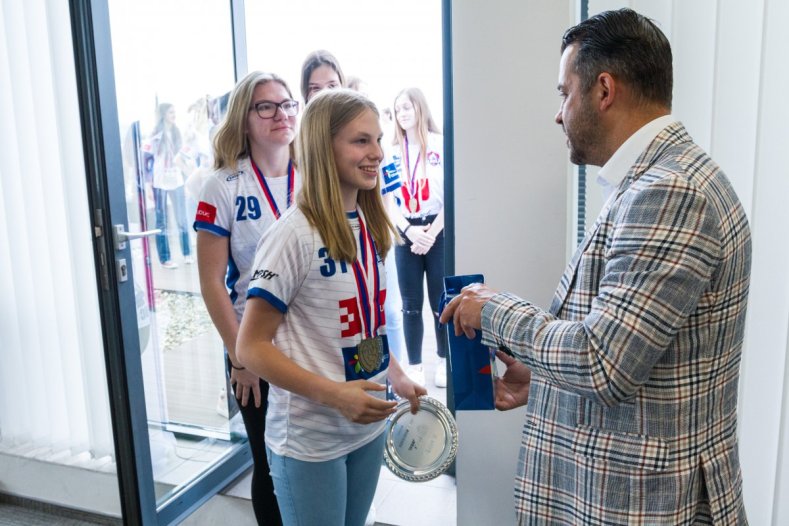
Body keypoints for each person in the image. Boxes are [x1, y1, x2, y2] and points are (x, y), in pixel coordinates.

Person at [440, 8, 750, 524]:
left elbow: (602, 361)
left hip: (642, 507)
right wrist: (542, 378)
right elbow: (647, 364)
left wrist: (491, 310)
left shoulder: (668, 192)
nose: (559, 113)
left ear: (604, 90)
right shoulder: (657, 179)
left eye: (565, 92)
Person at [236, 89, 426, 526]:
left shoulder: (372, 225)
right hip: (310, 440)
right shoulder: (292, 235)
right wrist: (335, 396)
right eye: (361, 141)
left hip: (366, 427)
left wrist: (395, 373)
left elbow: (366, 325)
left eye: (378, 140)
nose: (377, 152)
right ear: (325, 146)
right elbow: (251, 348)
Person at [194, 71, 302, 526]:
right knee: (271, 464)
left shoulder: (316, 175)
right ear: (244, 118)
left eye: (287, 103)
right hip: (254, 349)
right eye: (266, 106)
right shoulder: (222, 185)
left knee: (310, 459)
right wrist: (239, 357)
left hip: (311, 343)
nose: (281, 113)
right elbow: (212, 282)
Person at [383, 87, 448, 387]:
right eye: (398, 110)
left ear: (420, 108)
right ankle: (416, 365)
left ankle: (444, 361)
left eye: (407, 107)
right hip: (406, 233)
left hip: (437, 232)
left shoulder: (440, 145)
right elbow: (388, 203)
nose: (403, 114)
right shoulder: (391, 155)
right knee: (410, 304)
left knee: (440, 302)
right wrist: (410, 232)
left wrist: (430, 234)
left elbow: (451, 196)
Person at [143, 103, 192, 269]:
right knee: (161, 221)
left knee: (182, 219)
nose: (174, 115)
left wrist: (186, 181)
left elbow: (184, 158)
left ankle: (187, 253)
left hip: (177, 179)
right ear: (164, 114)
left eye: (174, 111)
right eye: (171, 112)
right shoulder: (155, 136)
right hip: (160, 181)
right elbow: (145, 162)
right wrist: (149, 185)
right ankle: (165, 258)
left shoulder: (178, 134)